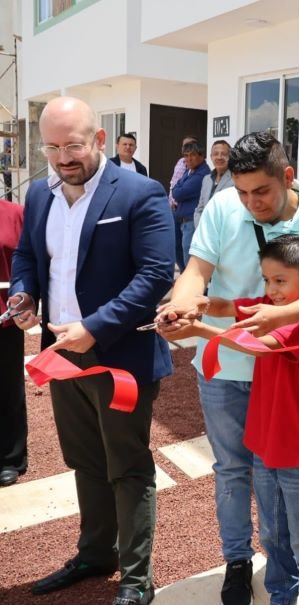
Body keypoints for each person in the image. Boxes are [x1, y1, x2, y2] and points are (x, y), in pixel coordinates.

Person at [156, 131, 299, 605]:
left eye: (260, 191)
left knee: (287, 497)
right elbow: (196, 274)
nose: (249, 202)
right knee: (232, 471)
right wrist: (180, 310)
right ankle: (238, 561)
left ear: (288, 176)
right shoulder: (225, 207)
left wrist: (275, 316)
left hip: (279, 377)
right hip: (222, 371)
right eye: (241, 191)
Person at [9, 96, 174, 605]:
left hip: (120, 355)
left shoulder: (140, 193)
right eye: (53, 147)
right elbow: (29, 255)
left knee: (126, 464)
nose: (63, 158)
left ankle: (136, 578)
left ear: (100, 139)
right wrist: (24, 292)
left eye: (74, 145)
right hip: (63, 353)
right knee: (84, 460)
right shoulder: (40, 195)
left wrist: (94, 329)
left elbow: (154, 275)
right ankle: (96, 552)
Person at [173, 234, 299, 605]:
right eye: (266, 280)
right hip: (265, 442)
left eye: (280, 281)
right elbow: (232, 307)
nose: (271, 290)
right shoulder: (269, 305)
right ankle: (282, 593)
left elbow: (258, 344)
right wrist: (199, 304)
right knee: (273, 533)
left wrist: (199, 330)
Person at [0, 198, 25, 487]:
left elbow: (26, 261)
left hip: (4, 320)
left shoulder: (14, 213)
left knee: (7, 388)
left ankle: (10, 457)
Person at [171, 140, 210, 265]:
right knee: (179, 253)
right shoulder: (189, 171)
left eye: (192, 155)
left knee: (188, 256)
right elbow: (175, 188)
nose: (189, 159)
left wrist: (178, 188)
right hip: (181, 220)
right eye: (186, 155)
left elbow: (178, 193)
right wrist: (178, 188)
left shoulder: (202, 174)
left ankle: (189, 282)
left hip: (191, 221)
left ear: (201, 155)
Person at [168, 136, 198, 272]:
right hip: (175, 209)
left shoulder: (201, 171)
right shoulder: (181, 164)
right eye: (185, 148)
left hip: (189, 217)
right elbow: (174, 184)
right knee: (176, 246)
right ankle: (183, 272)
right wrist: (172, 199)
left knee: (187, 250)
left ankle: (188, 279)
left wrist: (177, 191)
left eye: (191, 147)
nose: (188, 154)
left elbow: (180, 191)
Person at [194, 139, 233, 227]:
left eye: (224, 154)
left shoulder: (236, 179)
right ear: (211, 157)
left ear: (230, 157)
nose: (219, 157)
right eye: (215, 154)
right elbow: (199, 209)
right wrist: (201, 228)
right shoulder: (206, 179)